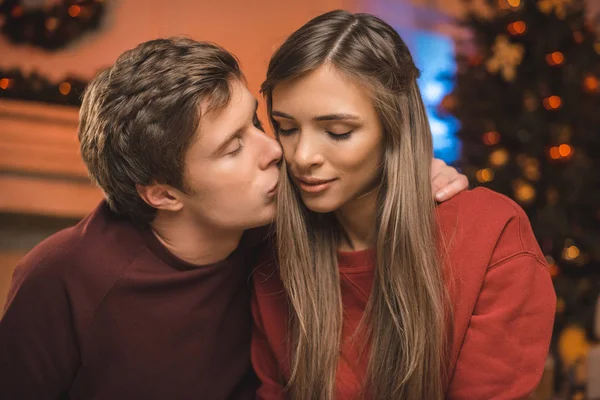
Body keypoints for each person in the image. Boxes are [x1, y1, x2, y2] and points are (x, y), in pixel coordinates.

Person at [0, 37, 467, 399]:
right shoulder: (62, 276)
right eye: (233, 147)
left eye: (258, 123)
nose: (275, 151)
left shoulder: (299, 217)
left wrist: (411, 172)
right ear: (163, 194)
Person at [251, 10, 557, 400]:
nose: (302, 155)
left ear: (395, 127)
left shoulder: (493, 238)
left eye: (338, 132)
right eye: (287, 128)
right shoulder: (269, 251)